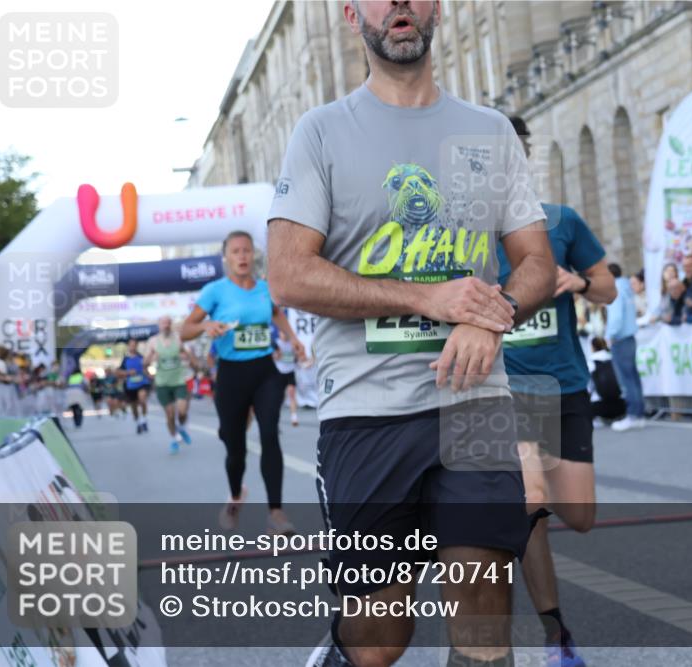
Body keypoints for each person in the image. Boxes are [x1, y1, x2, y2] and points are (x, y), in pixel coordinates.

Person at [265, 1, 556, 664]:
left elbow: (537, 261)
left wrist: (494, 311)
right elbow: (288, 275)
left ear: (435, 11)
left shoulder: (487, 131)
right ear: (351, 15)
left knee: (484, 620)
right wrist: (432, 300)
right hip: (367, 412)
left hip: (474, 404)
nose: (398, 2)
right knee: (378, 640)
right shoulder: (322, 133)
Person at [495, 114, 615, 667]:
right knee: (532, 503)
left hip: (565, 383)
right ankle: (555, 634)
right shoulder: (469, 233)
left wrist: (577, 281)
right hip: (506, 389)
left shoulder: (562, 222)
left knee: (581, 516)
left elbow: (609, 289)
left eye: (515, 148)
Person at [182, 231, 306, 535]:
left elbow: (276, 314)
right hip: (231, 375)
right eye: (235, 251)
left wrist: (293, 339)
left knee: (269, 435)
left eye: (247, 251)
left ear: (254, 255)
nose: (242, 256)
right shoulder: (215, 291)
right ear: (226, 257)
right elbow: (185, 330)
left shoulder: (266, 289)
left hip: (264, 371)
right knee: (235, 448)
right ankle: (236, 494)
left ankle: (276, 512)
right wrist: (206, 325)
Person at [144, 316, 198, 455]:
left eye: (168, 323)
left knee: (182, 411)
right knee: (169, 415)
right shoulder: (153, 342)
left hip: (179, 381)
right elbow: (145, 362)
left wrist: (195, 367)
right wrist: (148, 369)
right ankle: (174, 438)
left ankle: (182, 427)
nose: (166, 325)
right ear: (159, 325)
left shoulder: (179, 339)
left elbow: (189, 355)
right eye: (163, 323)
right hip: (162, 383)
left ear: (171, 325)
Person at [606, 263, 646, 432]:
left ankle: (632, 414)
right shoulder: (626, 287)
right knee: (633, 377)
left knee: (626, 379)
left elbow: (616, 316)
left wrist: (610, 335)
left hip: (620, 338)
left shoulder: (615, 290)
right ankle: (639, 413)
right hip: (629, 336)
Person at [588, 337, 625, 423]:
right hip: (621, 406)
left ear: (593, 347)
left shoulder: (591, 362)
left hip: (600, 408)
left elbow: (588, 387)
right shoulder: (614, 358)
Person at [118, 339, 151, 434]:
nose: (133, 347)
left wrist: (148, 374)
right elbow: (118, 372)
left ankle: (144, 419)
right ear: (128, 346)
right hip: (131, 386)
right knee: (134, 407)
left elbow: (146, 369)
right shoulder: (125, 359)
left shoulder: (141, 357)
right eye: (131, 345)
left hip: (142, 383)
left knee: (142, 399)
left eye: (134, 345)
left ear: (137, 346)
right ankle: (138, 423)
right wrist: (128, 373)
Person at [271, 320, 301, 426]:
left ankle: (294, 417)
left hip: (290, 372)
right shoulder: (277, 343)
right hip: (279, 373)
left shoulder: (292, 344)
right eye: (282, 333)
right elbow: (272, 357)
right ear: (279, 333)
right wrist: (276, 355)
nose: (284, 335)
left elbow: (297, 357)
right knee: (279, 398)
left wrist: (298, 357)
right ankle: (276, 420)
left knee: (292, 393)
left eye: (285, 333)